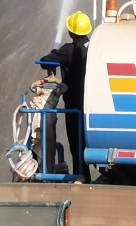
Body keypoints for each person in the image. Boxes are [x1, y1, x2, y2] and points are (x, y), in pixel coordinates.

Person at [39, 10, 92, 179]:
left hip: (75, 105)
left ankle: (81, 179)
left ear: (71, 32)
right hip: (93, 105)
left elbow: (45, 60)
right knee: (89, 142)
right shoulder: (94, 47)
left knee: (77, 145)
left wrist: (54, 56)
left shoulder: (68, 50)